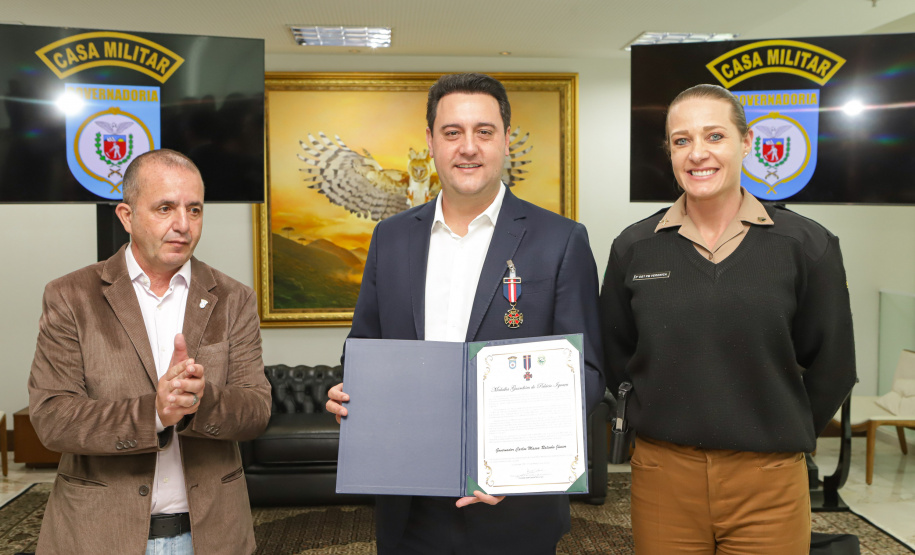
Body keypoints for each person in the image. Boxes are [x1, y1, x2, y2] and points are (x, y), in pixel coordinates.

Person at [325, 72, 605, 555]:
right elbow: (363, 346)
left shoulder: (561, 240)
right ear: (430, 141)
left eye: (484, 131)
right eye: (452, 132)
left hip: (514, 508)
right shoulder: (390, 238)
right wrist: (348, 391)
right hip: (408, 505)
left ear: (506, 141)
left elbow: (587, 372)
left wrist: (518, 465)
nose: (468, 147)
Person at [599, 84, 856, 554]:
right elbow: (616, 354)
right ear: (670, 152)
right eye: (682, 140)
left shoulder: (807, 245)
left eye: (714, 136)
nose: (698, 153)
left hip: (770, 478)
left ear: (747, 141)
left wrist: (777, 425)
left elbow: (834, 364)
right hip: (663, 475)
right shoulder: (634, 248)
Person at [28, 149, 271, 554]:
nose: (183, 225)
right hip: (97, 535)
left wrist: (198, 402)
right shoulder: (70, 296)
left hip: (213, 535)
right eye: (165, 208)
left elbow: (256, 410)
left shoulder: (234, 298)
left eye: (194, 210)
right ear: (127, 216)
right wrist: (156, 413)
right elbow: (53, 418)